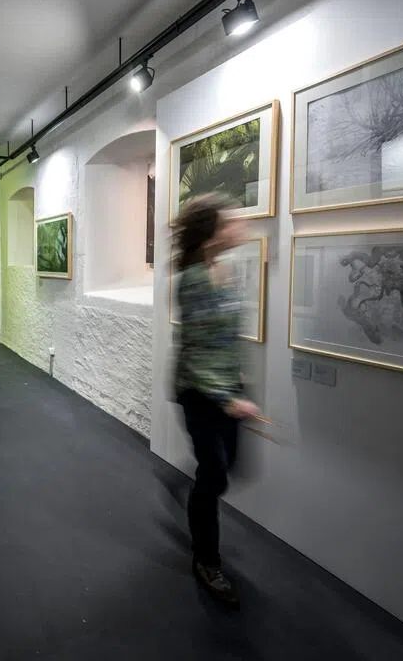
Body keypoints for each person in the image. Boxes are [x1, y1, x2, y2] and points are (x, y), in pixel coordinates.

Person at [170, 192, 260, 606]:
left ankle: (199, 497)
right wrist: (228, 398)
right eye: (230, 222)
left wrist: (237, 378)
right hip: (200, 391)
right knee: (214, 474)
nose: (240, 227)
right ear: (211, 236)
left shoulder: (222, 270)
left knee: (230, 468)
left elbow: (222, 335)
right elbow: (196, 350)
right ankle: (207, 561)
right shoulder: (193, 279)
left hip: (226, 387)